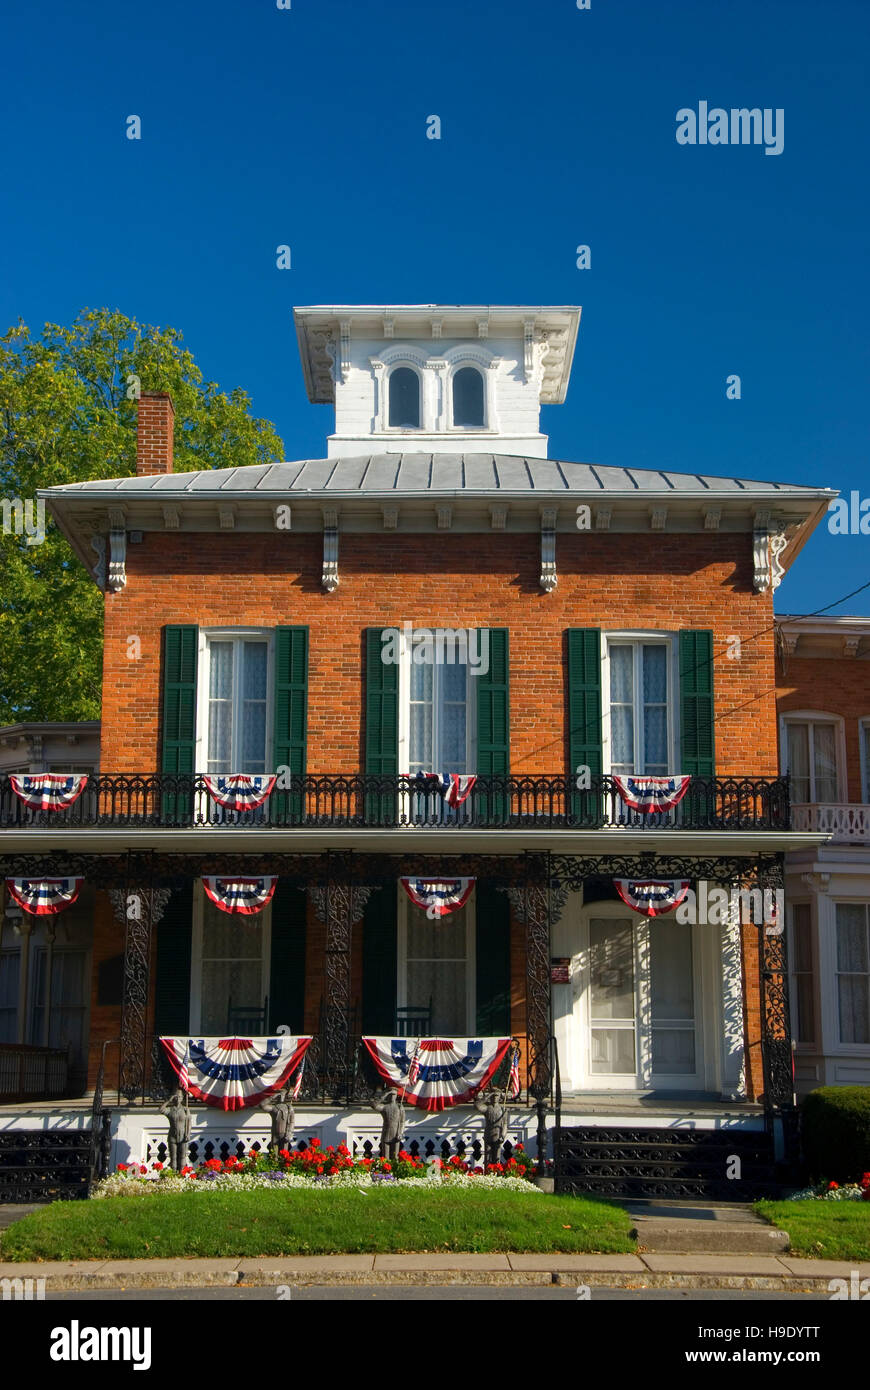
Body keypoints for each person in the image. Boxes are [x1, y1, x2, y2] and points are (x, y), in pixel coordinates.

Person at [474, 1088, 509, 1168]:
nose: (494, 1098)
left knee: (497, 1158)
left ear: (500, 1097)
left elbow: (505, 1124)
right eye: (493, 1096)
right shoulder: (487, 1108)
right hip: (488, 1135)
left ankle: (496, 1175)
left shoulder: (502, 1109)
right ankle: (487, 1174)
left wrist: (503, 1136)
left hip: (497, 1135)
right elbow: (477, 1105)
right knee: (487, 1159)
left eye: (496, 1096)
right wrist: (488, 1096)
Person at [160, 1087, 191, 1172]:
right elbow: (161, 1109)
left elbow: (188, 1123)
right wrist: (169, 1101)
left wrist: (188, 1134)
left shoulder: (185, 1110)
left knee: (182, 1157)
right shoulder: (170, 1110)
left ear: (182, 1098)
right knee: (173, 1158)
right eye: (176, 1096)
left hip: (182, 1135)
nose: (178, 1098)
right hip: (172, 1135)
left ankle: (181, 1174)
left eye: (180, 1097)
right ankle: (174, 1175)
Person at [371, 1088, 405, 1163]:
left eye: (394, 1095)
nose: (392, 1097)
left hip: (396, 1133)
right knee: (385, 1157)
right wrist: (384, 1095)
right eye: (391, 1095)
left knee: (395, 1157)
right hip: (386, 1133)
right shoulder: (384, 1107)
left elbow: (402, 1122)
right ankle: (385, 1173)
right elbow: (374, 1105)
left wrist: (401, 1133)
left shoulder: (400, 1107)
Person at [261, 1086, 295, 1152]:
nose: (281, 1096)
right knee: (274, 1156)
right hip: (275, 1134)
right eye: (280, 1094)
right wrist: (272, 1097)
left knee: (284, 1155)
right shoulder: (274, 1108)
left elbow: (292, 1122)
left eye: (283, 1094)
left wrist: (290, 1133)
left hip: (285, 1134)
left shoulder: (289, 1108)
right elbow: (262, 1105)